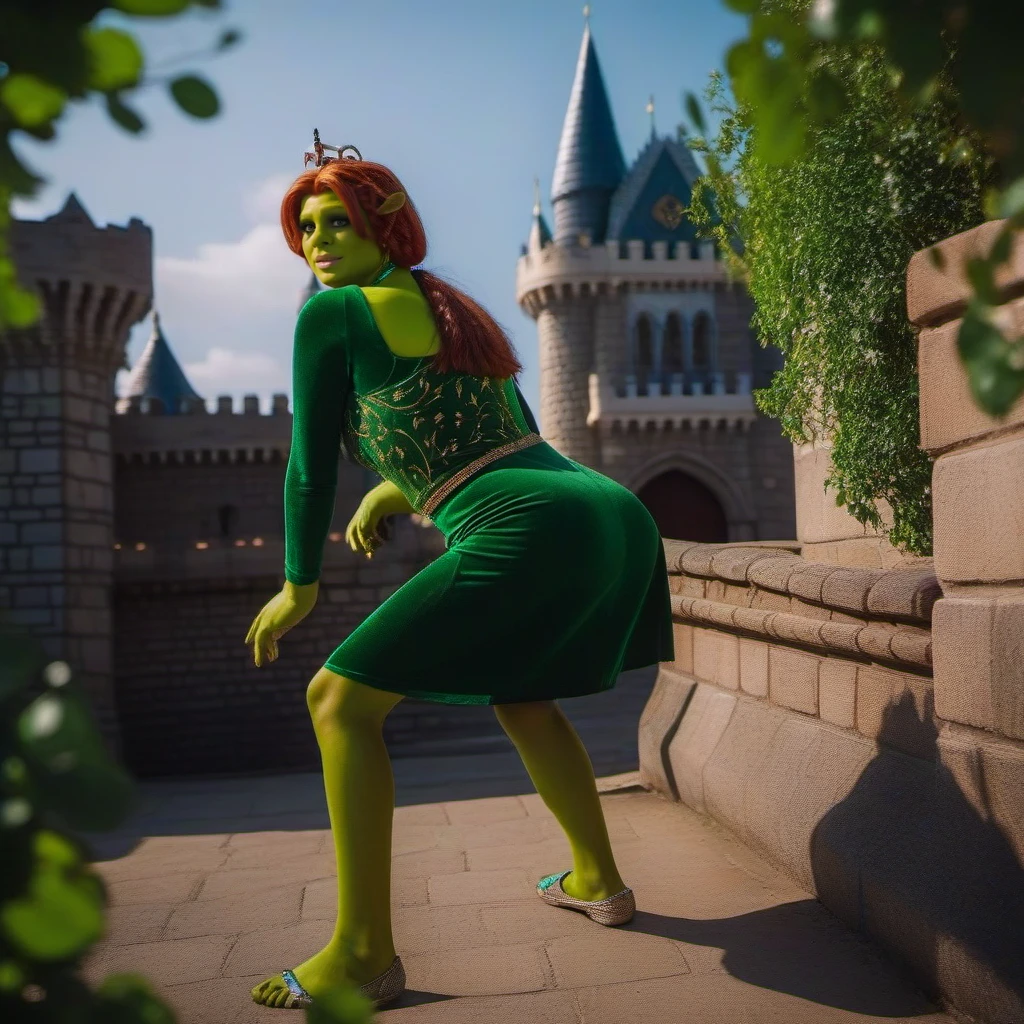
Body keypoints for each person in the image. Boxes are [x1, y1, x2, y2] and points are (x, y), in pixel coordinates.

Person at [245, 136, 674, 1010]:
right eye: (307, 228)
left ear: (385, 229)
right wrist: (400, 492)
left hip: (529, 517)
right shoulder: (453, 311)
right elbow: (501, 437)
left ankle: (362, 954)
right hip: (610, 508)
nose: (319, 241)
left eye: (339, 222)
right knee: (522, 694)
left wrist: (300, 581)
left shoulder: (332, 316)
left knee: (335, 701)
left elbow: (306, 468)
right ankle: (597, 879)